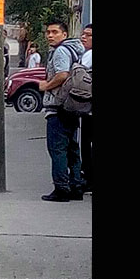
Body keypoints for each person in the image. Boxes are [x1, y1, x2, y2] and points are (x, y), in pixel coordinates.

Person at [38, 21, 86, 202]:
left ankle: (61, 188)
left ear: (64, 35)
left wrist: (46, 86)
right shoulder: (76, 50)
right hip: (73, 106)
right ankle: (76, 185)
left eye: (55, 32)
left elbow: (62, 74)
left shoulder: (60, 52)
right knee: (72, 148)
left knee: (57, 149)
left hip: (58, 106)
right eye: (48, 32)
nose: (50, 35)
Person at [78, 24, 93, 193]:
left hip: (88, 107)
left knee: (86, 144)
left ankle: (88, 178)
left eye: (88, 35)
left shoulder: (88, 56)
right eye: (83, 34)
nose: (83, 37)